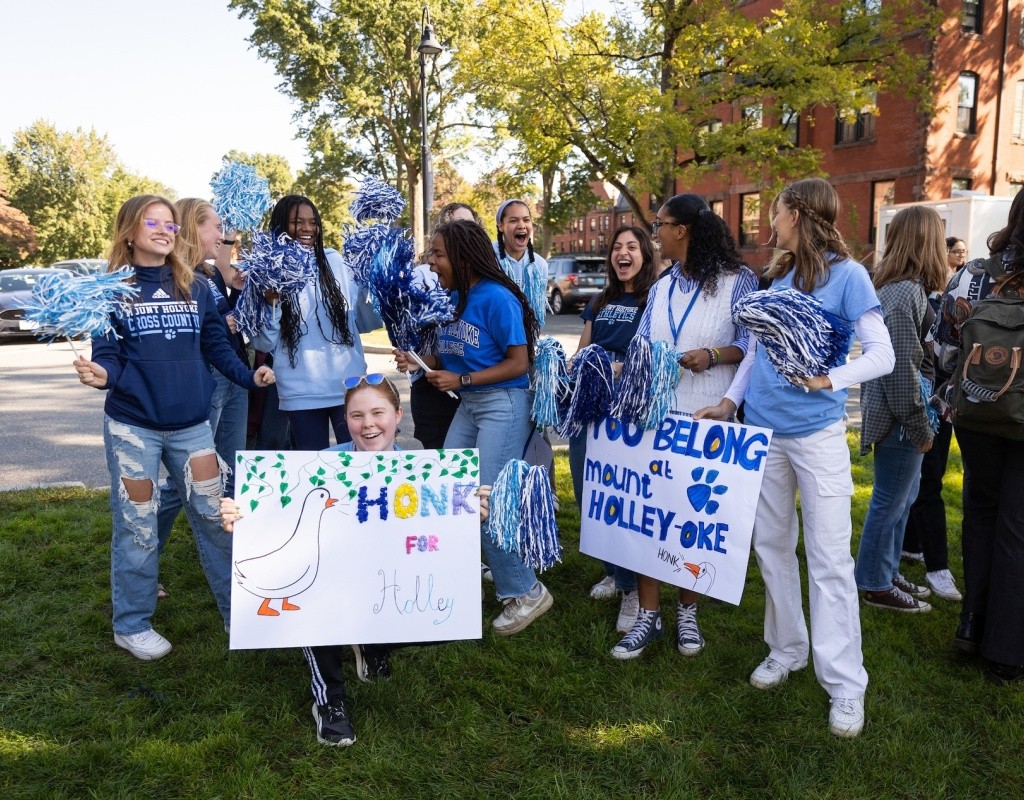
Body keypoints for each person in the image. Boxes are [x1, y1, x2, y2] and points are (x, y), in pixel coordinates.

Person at [696, 178, 895, 738]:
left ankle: (844, 683)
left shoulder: (849, 277)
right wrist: (729, 401)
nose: (771, 222)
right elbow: (756, 351)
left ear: (800, 215)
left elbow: (883, 354)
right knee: (772, 546)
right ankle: (787, 649)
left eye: (777, 212)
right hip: (762, 434)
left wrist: (829, 378)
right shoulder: (777, 276)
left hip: (816, 438)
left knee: (829, 560)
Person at [220, 374, 491, 745]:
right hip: (334, 580)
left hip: (382, 580)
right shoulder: (319, 467)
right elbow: (273, 514)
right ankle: (329, 700)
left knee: (431, 612)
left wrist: (466, 513)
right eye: (356, 415)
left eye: (378, 413)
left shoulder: (428, 472)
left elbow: (440, 546)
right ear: (344, 420)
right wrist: (242, 514)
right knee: (312, 607)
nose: (368, 425)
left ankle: (371, 642)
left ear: (398, 415)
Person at [73, 194, 275, 661]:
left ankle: (238, 614)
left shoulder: (195, 287)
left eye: (170, 224)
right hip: (133, 429)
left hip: (191, 429)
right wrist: (104, 376)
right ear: (129, 231)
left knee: (216, 521)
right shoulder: (112, 291)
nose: (165, 231)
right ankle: (132, 624)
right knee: (137, 526)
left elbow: (217, 348)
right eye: (153, 223)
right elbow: (107, 358)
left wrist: (250, 376)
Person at [610, 195, 757, 661]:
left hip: (706, 412)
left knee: (691, 521)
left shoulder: (739, 281)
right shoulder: (662, 285)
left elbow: (752, 345)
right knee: (650, 514)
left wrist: (712, 356)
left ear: (686, 230)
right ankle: (648, 615)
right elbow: (644, 342)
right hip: (654, 415)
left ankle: (687, 610)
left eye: (662, 224)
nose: (656, 232)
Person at [395, 219, 553, 635]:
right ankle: (492, 576)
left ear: (463, 256)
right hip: (470, 406)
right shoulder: (453, 298)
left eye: (438, 254)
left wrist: (461, 380)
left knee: (482, 502)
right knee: (454, 493)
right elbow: (459, 354)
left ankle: (526, 591)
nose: (432, 261)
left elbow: (519, 363)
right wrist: (422, 361)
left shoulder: (497, 298)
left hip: (503, 404)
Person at [932, 191, 1024, 684]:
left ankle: (972, 623)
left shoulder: (976, 272)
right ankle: (1006, 650)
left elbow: (944, 349)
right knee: (1018, 526)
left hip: (977, 414)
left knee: (982, 513)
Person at [854, 206, 948, 613]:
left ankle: (886, 571)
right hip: (900, 417)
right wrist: (921, 426)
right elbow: (900, 370)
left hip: (905, 413)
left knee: (903, 500)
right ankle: (873, 583)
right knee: (889, 501)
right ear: (926, 241)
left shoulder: (905, 286)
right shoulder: (902, 290)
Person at [568, 225, 659, 634]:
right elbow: (584, 349)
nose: (623, 253)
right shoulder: (599, 300)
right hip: (590, 406)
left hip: (624, 411)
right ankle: (613, 570)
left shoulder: (654, 299)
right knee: (589, 496)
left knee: (619, 498)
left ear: (645, 255)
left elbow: (651, 354)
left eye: (632, 246)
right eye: (617, 247)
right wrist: (570, 368)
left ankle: (631, 590)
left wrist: (615, 367)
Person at [155, 199, 250, 581]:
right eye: (216, 227)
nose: (223, 235)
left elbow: (223, 327)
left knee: (229, 475)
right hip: (206, 386)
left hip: (233, 380)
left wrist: (237, 296)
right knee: (187, 483)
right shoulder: (175, 276)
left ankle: (235, 562)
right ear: (194, 228)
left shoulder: (210, 274)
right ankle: (146, 566)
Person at [250, 195, 381, 450]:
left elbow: (364, 323)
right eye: (297, 222)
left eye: (313, 222)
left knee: (359, 465)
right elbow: (264, 342)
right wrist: (271, 303)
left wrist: (372, 283)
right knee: (314, 473)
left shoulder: (336, 261)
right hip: (301, 392)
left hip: (349, 385)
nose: (307, 228)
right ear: (280, 226)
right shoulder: (267, 270)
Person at [898, 237, 965, 600]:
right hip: (923, 400)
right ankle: (937, 567)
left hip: (942, 399)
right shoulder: (912, 294)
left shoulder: (950, 294)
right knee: (924, 482)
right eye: (952, 251)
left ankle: (910, 546)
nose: (956, 257)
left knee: (926, 479)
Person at [407, 202, 480, 449]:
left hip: (471, 386)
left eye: (469, 224)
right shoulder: (422, 275)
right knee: (442, 462)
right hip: (433, 384)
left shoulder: (486, 287)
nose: (461, 230)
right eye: (454, 224)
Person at [494, 198, 548, 322]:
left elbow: (537, 314)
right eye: (513, 220)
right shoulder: (486, 256)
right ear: (501, 225)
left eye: (526, 220)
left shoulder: (539, 266)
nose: (522, 225)